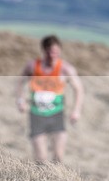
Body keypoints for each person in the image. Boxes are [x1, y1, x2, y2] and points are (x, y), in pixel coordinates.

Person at [16, 35, 84, 163]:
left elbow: (79, 89)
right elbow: (20, 82)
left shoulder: (65, 69)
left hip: (56, 115)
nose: (53, 56)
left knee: (58, 157)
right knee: (41, 158)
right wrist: (20, 100)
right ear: (43, 50)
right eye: (50, 52)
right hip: (36, 115)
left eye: (56, 53)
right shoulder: (32, 66)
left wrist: (76, 110)